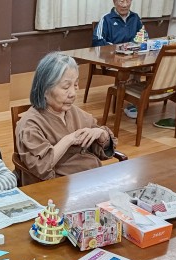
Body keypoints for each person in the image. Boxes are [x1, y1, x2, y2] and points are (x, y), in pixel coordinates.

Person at [14, 52, 117, 186]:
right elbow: (41, 168)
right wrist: (69, 139)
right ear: (45, 89)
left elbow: (102, 152)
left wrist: (102, 135)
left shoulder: (75, 113)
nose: (73, 93)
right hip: (59, 188)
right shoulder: (30, 125)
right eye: (66, 87)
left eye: (75, 85)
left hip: (91, 181)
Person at [93, 0, 144, 119]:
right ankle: (131, 102)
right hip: (111, 59)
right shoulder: (106, 19)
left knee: (145, 67)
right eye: (121, 1)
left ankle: (140, 99)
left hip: (132, 57)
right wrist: (117, 48)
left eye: (128, 1)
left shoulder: (135, 18)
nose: (125, 5)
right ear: (114, 2)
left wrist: (136, 45)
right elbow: (97, 41)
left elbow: (143, 36)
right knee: (129, 68)